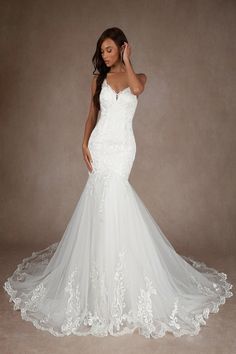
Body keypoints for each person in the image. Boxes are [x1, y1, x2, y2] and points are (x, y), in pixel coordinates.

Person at [3, 27, 233, 339]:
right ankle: (101, 288)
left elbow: (137, 89)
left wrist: (128, 60)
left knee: (117, 201)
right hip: (100, 146)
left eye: (110, 49)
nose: (104, 55)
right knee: (100, 209)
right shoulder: (97, 79)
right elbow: (91, 115)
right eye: (103, 51)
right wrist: (83, 142)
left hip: (123, 148)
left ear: (122, 48)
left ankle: (121, 286)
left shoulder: (139, 77)